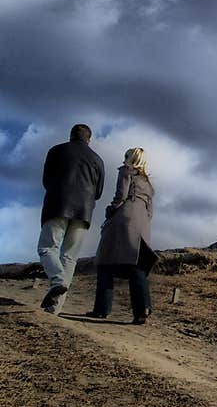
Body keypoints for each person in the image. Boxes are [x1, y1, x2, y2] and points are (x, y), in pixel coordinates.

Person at [38, 124, 105, 314]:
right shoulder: (98, 160)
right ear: (88, 139)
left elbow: (46, 180)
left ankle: (57, 280)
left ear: (71, 135)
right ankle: (54, 308)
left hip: (57, 205)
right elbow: (98, 192)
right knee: (69, 257)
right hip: (84, 211)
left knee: (47, 247)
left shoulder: (56, 151)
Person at [88, 147, 158, 324]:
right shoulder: (148, 183)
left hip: (123, 218)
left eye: (126, 156)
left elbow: (120, 195)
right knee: (136, 265)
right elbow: (150, 210)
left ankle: (102, 309)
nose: (123, 159)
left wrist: (110, 211)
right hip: (142, 222)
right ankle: (142, 308)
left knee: (105, 262)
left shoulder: (126, 171)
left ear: (130, 158)